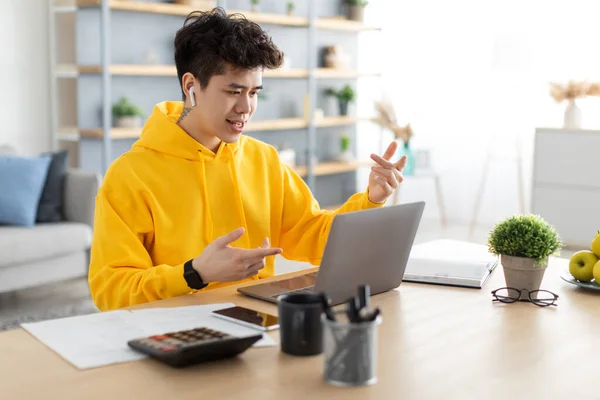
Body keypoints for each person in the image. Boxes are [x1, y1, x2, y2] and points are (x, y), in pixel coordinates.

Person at [88, 7, 408, 312]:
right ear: (191, 87)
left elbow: (314, 234)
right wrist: (194, 273)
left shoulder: (263, 159)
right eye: (233, 91)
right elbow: (112, 290)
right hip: (178, 340)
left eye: (254, 92)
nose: (246, 107)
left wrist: (371, 200)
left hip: (260, 327)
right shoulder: (130, 175)